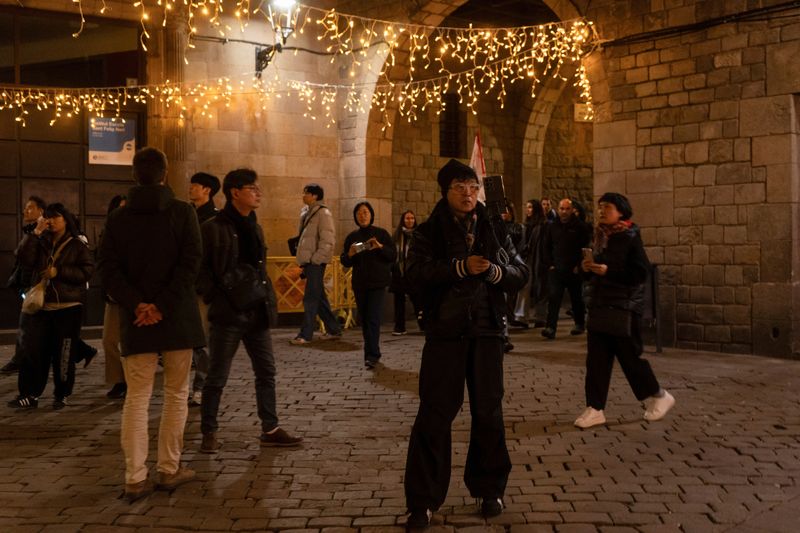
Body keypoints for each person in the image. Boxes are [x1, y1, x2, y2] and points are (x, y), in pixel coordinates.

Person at [403, 159, 529, 528]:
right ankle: (422, 500)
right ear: (446, 191)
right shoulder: (429, 232)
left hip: (488, 331)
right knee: (435, 413)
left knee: (489, 412)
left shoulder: (494, 228)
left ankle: (489, 488)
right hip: (446, 332)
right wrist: (458, 267)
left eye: (473, 188)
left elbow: (520, 272)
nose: (468, 194)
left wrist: (494, 272)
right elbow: (414, 274)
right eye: (460, 187)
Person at [98, 147, 205, 502]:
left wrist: (138, 304)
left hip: (136, 319)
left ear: (134, 175)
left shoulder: (118, 218)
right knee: (176, 395)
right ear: (165, 173)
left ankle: (134, 476)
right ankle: (169, 469)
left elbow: (109, 270)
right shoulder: (183, 212)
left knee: (137, 398)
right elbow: (190, 265)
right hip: (176, 317)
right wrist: (162, 304)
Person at [197, 169, 303, 453]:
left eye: (258, 188)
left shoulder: (255, 227)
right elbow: (201, 269)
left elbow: (259, 268)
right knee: (217, 376)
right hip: (227, 313)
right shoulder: (212, 227)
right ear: (235, 192)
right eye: (252, 188)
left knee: (266, 371)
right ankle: (209, 431)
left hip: (256, 310)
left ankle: (270, 428)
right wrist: (216, 294)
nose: (258, 193)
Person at [575, 192, 675, 429]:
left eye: (607, 207)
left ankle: (658, 396)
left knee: (631, 359)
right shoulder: (599, 236)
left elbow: (639, 273)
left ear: (621, 211)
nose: (601, 211)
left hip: (624, 309)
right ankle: (595, 408)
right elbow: (592, 274)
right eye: (600, 207)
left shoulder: (630, 237)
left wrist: (607, 272)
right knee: (596, 361)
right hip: (600, 306)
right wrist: (586, 268)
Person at [7, 203, 94, 410]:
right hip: (41, 307)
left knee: (63, 354)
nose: (51, 221)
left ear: (65, 219)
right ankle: (29, 394)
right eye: (48, 217)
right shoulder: (39, 241)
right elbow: (23, 259)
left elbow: (87, 272)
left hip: (68, 306)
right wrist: (35, 233)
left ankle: (62, 394)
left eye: (56, 217)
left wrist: (59, 272)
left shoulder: (76, 244)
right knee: (33, 351)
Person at [340, 201, 396, 369]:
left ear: (371, 214)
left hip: (378, 283)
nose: (362, 215)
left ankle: (372, 355)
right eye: (359, 213)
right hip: (360, 284)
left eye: (365, 212)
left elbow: (392, 255)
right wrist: (349, 254)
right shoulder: (352, 237)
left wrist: (379, 247)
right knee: (365, 320)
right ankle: (371, 353)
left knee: (373, 318)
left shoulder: (381, 234)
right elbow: (345, 262)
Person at [290, 183, 343, 345]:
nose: (303, 196)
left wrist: (316, 259)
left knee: (310, 298)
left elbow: (328, 240)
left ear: (314, 196)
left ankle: (305, 334)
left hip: (315, 262)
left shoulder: (323, 213)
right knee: (319, 297)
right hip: (309, 261)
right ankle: (334, 329)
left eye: (306, 193)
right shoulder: (307, 212)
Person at [2, 195, 47, 375]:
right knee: (30, 323)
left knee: (27, 322)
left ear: (40, 211)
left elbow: (27, 257)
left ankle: (19, 360)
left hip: (34, 286)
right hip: (26, 284)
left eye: (30, 208)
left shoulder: (42, 232)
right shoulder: (31, 230)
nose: (25, 211)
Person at [188, 171, 220, 407]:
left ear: (207, 190)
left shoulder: (215, 219)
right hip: (183, 286)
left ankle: (201, 386)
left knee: (202, 340)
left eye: (195, 186)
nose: (191, 189)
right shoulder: (186, 214)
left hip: (202, 288)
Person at [541, 198, 591, 339]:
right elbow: (547, 246)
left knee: (576, 298)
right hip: (556, 268)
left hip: (574, 269)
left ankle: (579, 324)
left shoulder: (580, 227)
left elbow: (586, 246)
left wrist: (579, 265)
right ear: (558, 209)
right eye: (562, 209)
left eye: (567, 209)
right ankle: (550, 327)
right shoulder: (553, 226)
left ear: (572, 210)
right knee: (554, 297)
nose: (564, 212)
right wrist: (549, 264)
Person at [101, 195, 128, 400]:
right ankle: (118, 380)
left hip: (136, 294)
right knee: (109, 340)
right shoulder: (108, 233)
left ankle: (130, 379)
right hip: (115, 295)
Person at [513, 199, 548, 328]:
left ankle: (540, 317)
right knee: (524, 286)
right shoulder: (525, 225)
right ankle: (521, 316)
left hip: (539, 259)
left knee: (541, 288)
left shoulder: (543, 225)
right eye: (526, 207)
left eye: (530, 207)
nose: (527, 210)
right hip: (526, 259)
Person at [389, 210, 421, 336]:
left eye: (412, 218)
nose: (410, 220)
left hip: (414, 272)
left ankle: (423, 325)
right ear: (403, 220)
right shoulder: (397, 236)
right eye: (407, 218)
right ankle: (399, 327)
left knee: (418, 300)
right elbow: (393, 253)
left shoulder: (418, 235)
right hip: (399, 272)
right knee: (399, 302)